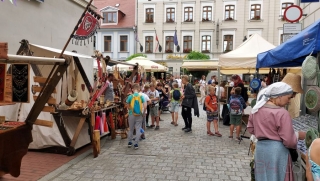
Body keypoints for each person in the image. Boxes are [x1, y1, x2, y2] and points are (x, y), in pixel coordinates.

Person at [247, 82, 298, 181]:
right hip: (278, 153)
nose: (289, 102)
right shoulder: (282, 113)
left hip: (261, 150)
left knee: (263, 177)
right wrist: (297, 136)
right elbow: (289, 141)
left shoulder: (256, 110)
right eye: (288, 98)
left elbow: (251, 129)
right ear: (279, 96)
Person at [126, 83, 146, 149]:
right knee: (138, 129)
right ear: (139, 89)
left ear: (132, 89)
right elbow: (145, 106)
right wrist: (143, 113)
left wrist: (130, 110)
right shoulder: (141, 96)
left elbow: (127, 105)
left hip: (131, 114)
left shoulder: (130, 96)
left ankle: (129, 142)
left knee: (131, 129)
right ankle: (136, 144)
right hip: (139, 114)